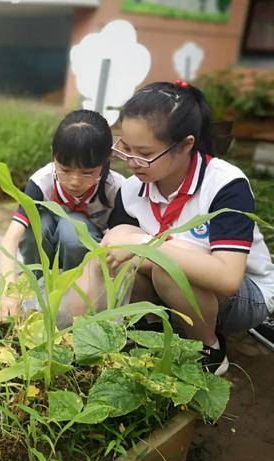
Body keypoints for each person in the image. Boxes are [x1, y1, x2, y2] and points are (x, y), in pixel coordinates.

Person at [64, 80, 274, 375]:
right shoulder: (133, 189)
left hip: (243, 297)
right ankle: (145, 331)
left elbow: (227, 277)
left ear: (186, 145)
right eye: (126, 148)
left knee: (165, 266)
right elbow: (112, 252)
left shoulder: (225, 184)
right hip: (179, 289)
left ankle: (209, 348)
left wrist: (148, 243)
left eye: (145, 153)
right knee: (117, 258)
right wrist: (74, 325)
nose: (132, 163)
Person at [0, 109, 124, 320]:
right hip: (47, 246)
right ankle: (34, 287)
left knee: (72, 228)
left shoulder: (116, 189)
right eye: (65, 169)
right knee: (37, 226)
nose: (74, 181)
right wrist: (7, 291)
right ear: (53, 154)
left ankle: (74, 294)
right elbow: (11, 237)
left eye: (87, 173)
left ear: (106, 159)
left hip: (86, 263)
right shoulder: (42, 182)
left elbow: (120, 242)